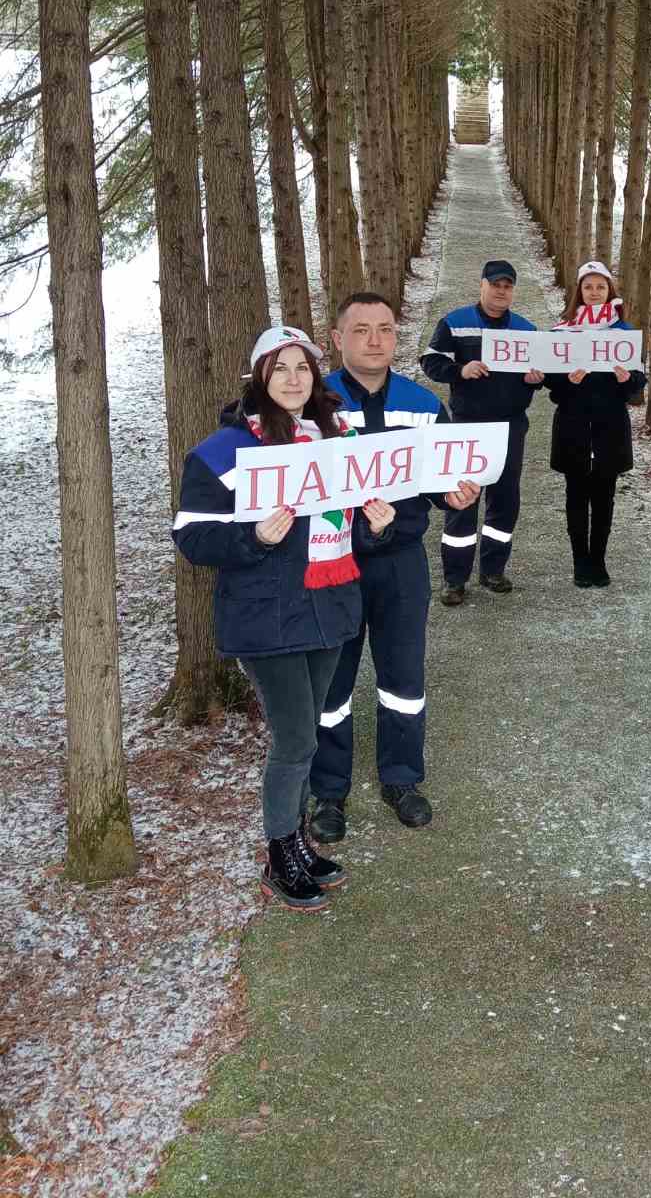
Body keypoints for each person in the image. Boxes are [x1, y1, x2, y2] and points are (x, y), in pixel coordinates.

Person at [173, 326, 396, 912]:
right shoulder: (224, 450)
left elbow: (352, 529)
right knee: (296, 740)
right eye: (280, 370)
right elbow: (192, 536)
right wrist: (253, 537)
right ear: (259, 379)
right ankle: (279, 856)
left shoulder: (341, 439)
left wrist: (378, 523)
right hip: (266, 617)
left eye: (303, 368)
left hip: (329, 609)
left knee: (307, 733)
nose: (294, 379)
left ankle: (296, 843)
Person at [308, 292, 482, 843]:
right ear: (338, 340)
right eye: (361, 330)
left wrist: (455, 498)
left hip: (401, 561)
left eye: (384, 329)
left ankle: (402, 779)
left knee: (403, 677)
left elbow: (442, 479)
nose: (375, 339)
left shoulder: (422, 404)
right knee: (331, 686)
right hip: (333, 561)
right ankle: (328, 791)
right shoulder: (314, 404)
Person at [420, 259, 544, 604]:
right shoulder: (456, 323)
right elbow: (430, 361)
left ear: (512, 290)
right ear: (482, 285)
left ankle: (493, 571)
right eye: (495, 284)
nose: (501, 291)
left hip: (510, 425)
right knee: (462, 498)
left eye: (507, 286)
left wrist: (536, 379)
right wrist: (461, 370)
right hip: (468, 426)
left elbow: (538, 373)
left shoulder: (526, 329)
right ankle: (455, 580)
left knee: (505, 501)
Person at [544, 260, 646, 588]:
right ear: (579, 291)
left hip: (609, 429)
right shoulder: (562, 330)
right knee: (575, 497)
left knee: (604, 498)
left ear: (609, 291)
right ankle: (579, 562)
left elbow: (636, 388)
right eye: (588, 287)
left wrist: (626, 378)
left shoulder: (625, 334)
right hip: (573, 427)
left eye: (600, 286)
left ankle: (598, 561)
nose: (594, 292)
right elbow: (551, 386)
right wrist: (568, 381)